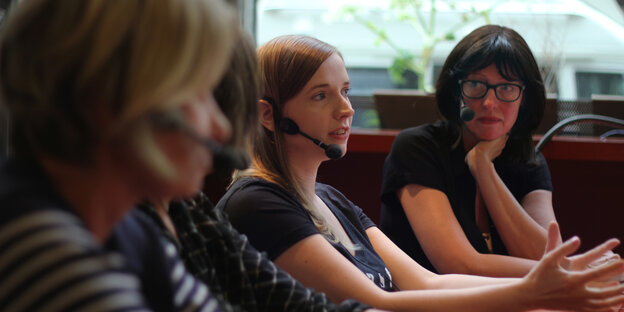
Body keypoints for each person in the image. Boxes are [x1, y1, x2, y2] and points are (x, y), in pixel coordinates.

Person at [216, 34, 624, 312]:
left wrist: (545, 292)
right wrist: (530, 293)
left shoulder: (330, 199)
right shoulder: (257, 202)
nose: (346, 109)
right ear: (268, 114)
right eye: (321, 96)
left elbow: (426, 283)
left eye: (345, 90)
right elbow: (381, 303)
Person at [0, 0, 241, 310]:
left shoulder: (129, 231)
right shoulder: (41, 249)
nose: (221, 129)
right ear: (111, 99)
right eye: (197, 92)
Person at [139, 27, 371, 312]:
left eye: (346, 91)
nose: (221, 127)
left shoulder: (191, 211)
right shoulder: (255, 203)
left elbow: (302, 303)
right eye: (199, 102)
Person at [378, 24, 620, 278]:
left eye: (506, 88)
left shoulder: (527, 158)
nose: (489, 102)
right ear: (456, 91)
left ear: (524, 98)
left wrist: (483, 167)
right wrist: (573, 268)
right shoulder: (417, 147)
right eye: (476, 85)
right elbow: (459, 266)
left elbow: (545, 254)